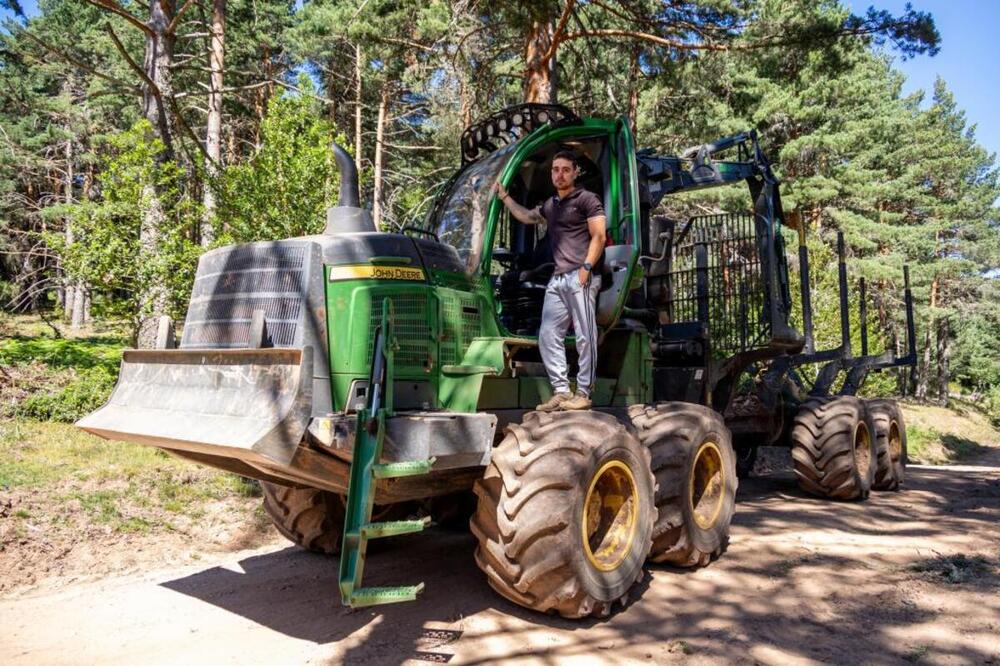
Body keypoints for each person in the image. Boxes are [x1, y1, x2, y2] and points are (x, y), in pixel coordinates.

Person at [493, 150, 606, 411]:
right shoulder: (552, 205)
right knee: (547, 334)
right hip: (558, 279)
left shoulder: (587, 199)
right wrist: (505, 197)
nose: (560, 174)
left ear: (575, 172)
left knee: (585, 335)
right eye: (555, 169)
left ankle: (584, 392)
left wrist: (586, 268)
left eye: (566, 169)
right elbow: (528, 217)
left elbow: (599, 236)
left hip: (581, 275)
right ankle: (562, 391)